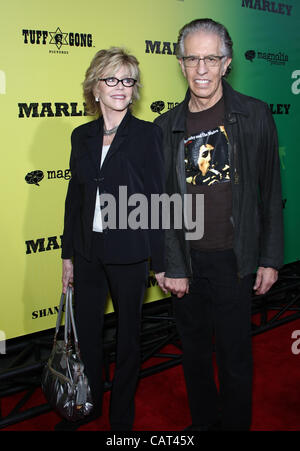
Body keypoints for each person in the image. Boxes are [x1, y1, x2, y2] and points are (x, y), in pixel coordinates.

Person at [154, 19, 283, 431]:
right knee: (193, 356)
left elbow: (270, 192)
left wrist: (269, 257)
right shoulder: (165, 127)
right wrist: (169, 263)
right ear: (180, 64)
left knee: (235, 358)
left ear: (227, 63)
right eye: (193, 58)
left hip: (235, 259)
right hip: (188, 264)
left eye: (211, 58)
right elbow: (161, 205)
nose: (202, 69)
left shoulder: (255, 115)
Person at [60, 47, 164, 431]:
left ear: (134, 89)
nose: (120, 87)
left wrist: (163, 261)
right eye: (112, 79)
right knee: (88, 337)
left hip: (130, 253)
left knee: (128, 341)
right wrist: (68, 255)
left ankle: (121, 418)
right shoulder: (81, 135)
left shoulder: (147, 134)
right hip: (88, 253)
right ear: (96, 87)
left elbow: (157, 198)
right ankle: (89, 407)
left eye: (127, 80)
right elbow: (75, 198)